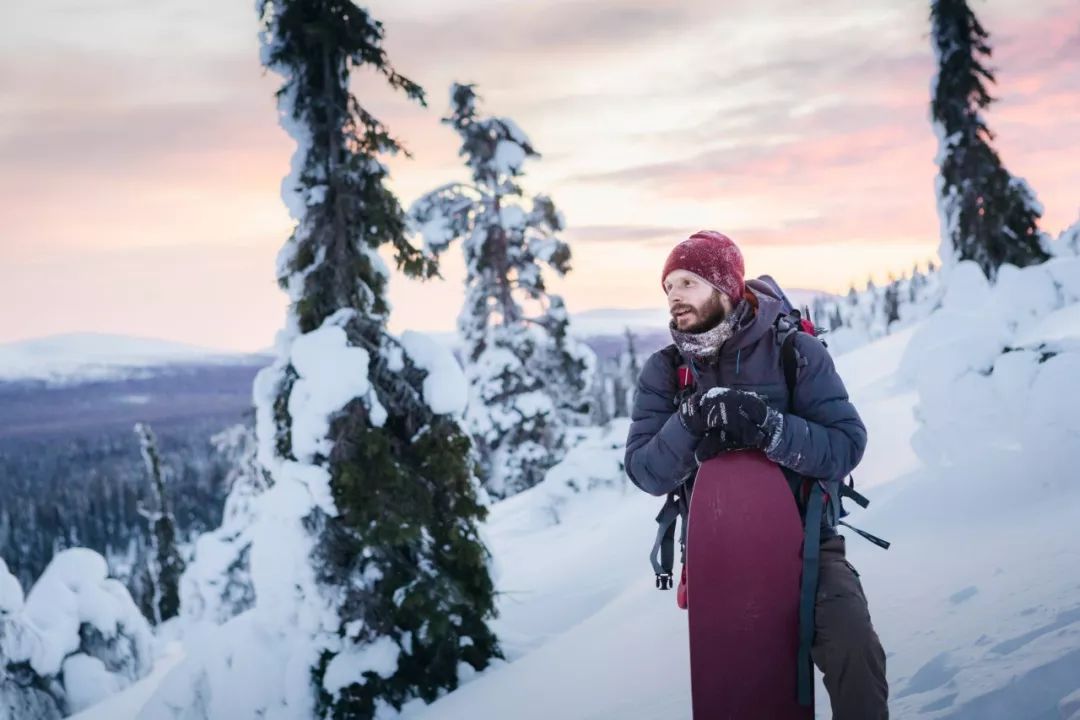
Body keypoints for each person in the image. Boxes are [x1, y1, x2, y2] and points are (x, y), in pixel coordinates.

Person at [624, 230, 889, 719]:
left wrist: (769, 427)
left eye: (688, 282)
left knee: (853, 645)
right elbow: (645, 471)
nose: (675, 296)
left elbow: (846, 444)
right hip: (718, 555)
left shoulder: (795, 353)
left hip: (808, 543)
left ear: (725, 288)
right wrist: (690, 420)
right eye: (669, 287)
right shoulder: (665, 372)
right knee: (742, 694)